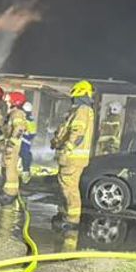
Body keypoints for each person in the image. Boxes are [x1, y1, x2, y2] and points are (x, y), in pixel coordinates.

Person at [50, 80, 96, 231]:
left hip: (73, 157)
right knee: (66, 186)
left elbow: (77, 133)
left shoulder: (82, 110)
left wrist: (67, 148)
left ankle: (72, 219)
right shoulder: (82, 110)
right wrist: (57, 142)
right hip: (73, 157)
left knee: (70, 188)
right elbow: (67, 131)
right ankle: (66, 214)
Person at [0, 91, 28, 205]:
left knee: (10, 168)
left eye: (9, 101)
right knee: (6, 167)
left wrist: (11, 145)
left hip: (13, 145)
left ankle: (10, 193)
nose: (7, 103)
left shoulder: (17, 114)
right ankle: (7, 191)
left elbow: (19, 129)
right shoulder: (13, 114)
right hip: (9, 144)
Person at [19, 99, 37, 182]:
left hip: (24, 142)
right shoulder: (30, 120)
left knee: (25, 158)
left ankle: (25, 176)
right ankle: (24, 175)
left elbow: (32, 134)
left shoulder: (27, 120)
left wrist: (24, 135)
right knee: (25, 158)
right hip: (23, 142)